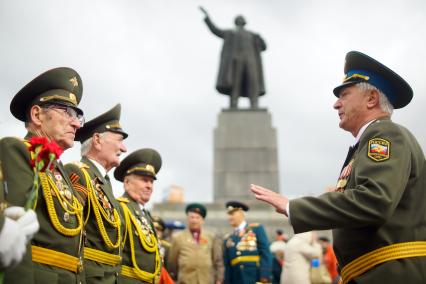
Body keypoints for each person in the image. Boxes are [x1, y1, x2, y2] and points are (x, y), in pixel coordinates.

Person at [251, 51, 426, 284]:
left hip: (387, 273)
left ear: (371, 99)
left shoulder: (385, 133)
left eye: (344, 94)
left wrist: (293, 206)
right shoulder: (367, 142)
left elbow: (374, 200)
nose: (336, 104)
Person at [0, 67, 86, 283]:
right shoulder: (17, 151)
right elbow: (16, 240)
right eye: (67, 112)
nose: (76, 123)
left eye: (77, 116)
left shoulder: (57, 167)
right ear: (37, 114)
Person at [65, 104, 128, 283]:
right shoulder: (79, 173)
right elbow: (72, 235)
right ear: (97, 140)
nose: (124, 148)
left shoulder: (104, 181)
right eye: (119, 140)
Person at [199, 7, 267, 109]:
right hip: (236, 60)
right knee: (235, 83)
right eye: (239, 18)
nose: (241, 20)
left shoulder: (252, 35)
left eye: (242, 18)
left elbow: (264, 47)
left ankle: (254, 104)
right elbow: (216, 30)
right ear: (236, 22)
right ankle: (233, 104)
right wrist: (207, 18)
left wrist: (260, 39)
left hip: (251, 60)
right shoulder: (230, 33)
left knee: (252, 82)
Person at [115, 148, 163, 283]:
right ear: (127, 182)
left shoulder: (145, 214)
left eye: (151, 182)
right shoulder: (120, 208)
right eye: (144, 180)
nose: (149, 186)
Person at [168, 203, 224, 284]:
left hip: (206, 280)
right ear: (187, 218)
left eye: (197, 218)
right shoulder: (178, 237)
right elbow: (173, 261)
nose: (194, 220)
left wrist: (219, 279)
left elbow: (217, 260)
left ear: (202, 220)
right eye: (192, 217)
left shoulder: (210, 237)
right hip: (186, 281)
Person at [223, 201, 272, 284]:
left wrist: (264, 275)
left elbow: (265, 252)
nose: (229, 217)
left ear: (241, 213)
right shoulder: (228, 239)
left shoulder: (256, 229)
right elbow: (228, 265)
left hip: (255, 277)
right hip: (236, 280)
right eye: (229, 215)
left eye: (232, 214)